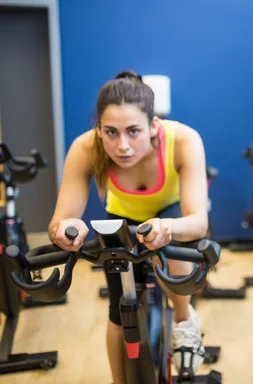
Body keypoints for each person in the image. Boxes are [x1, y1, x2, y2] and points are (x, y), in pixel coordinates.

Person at [48, 70, 209, 383]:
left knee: (171, 245)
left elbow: (198, 223)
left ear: (153, 125)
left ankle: (184, 320)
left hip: (171, 215)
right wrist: (68, 230)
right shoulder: (85, 148)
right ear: (98, 129)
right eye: (110, 132)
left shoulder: (184, 140)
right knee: (119, 312)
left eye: (134, 131)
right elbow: (61, 220)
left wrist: (168, 228)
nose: (122, 145)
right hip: (122, 221)